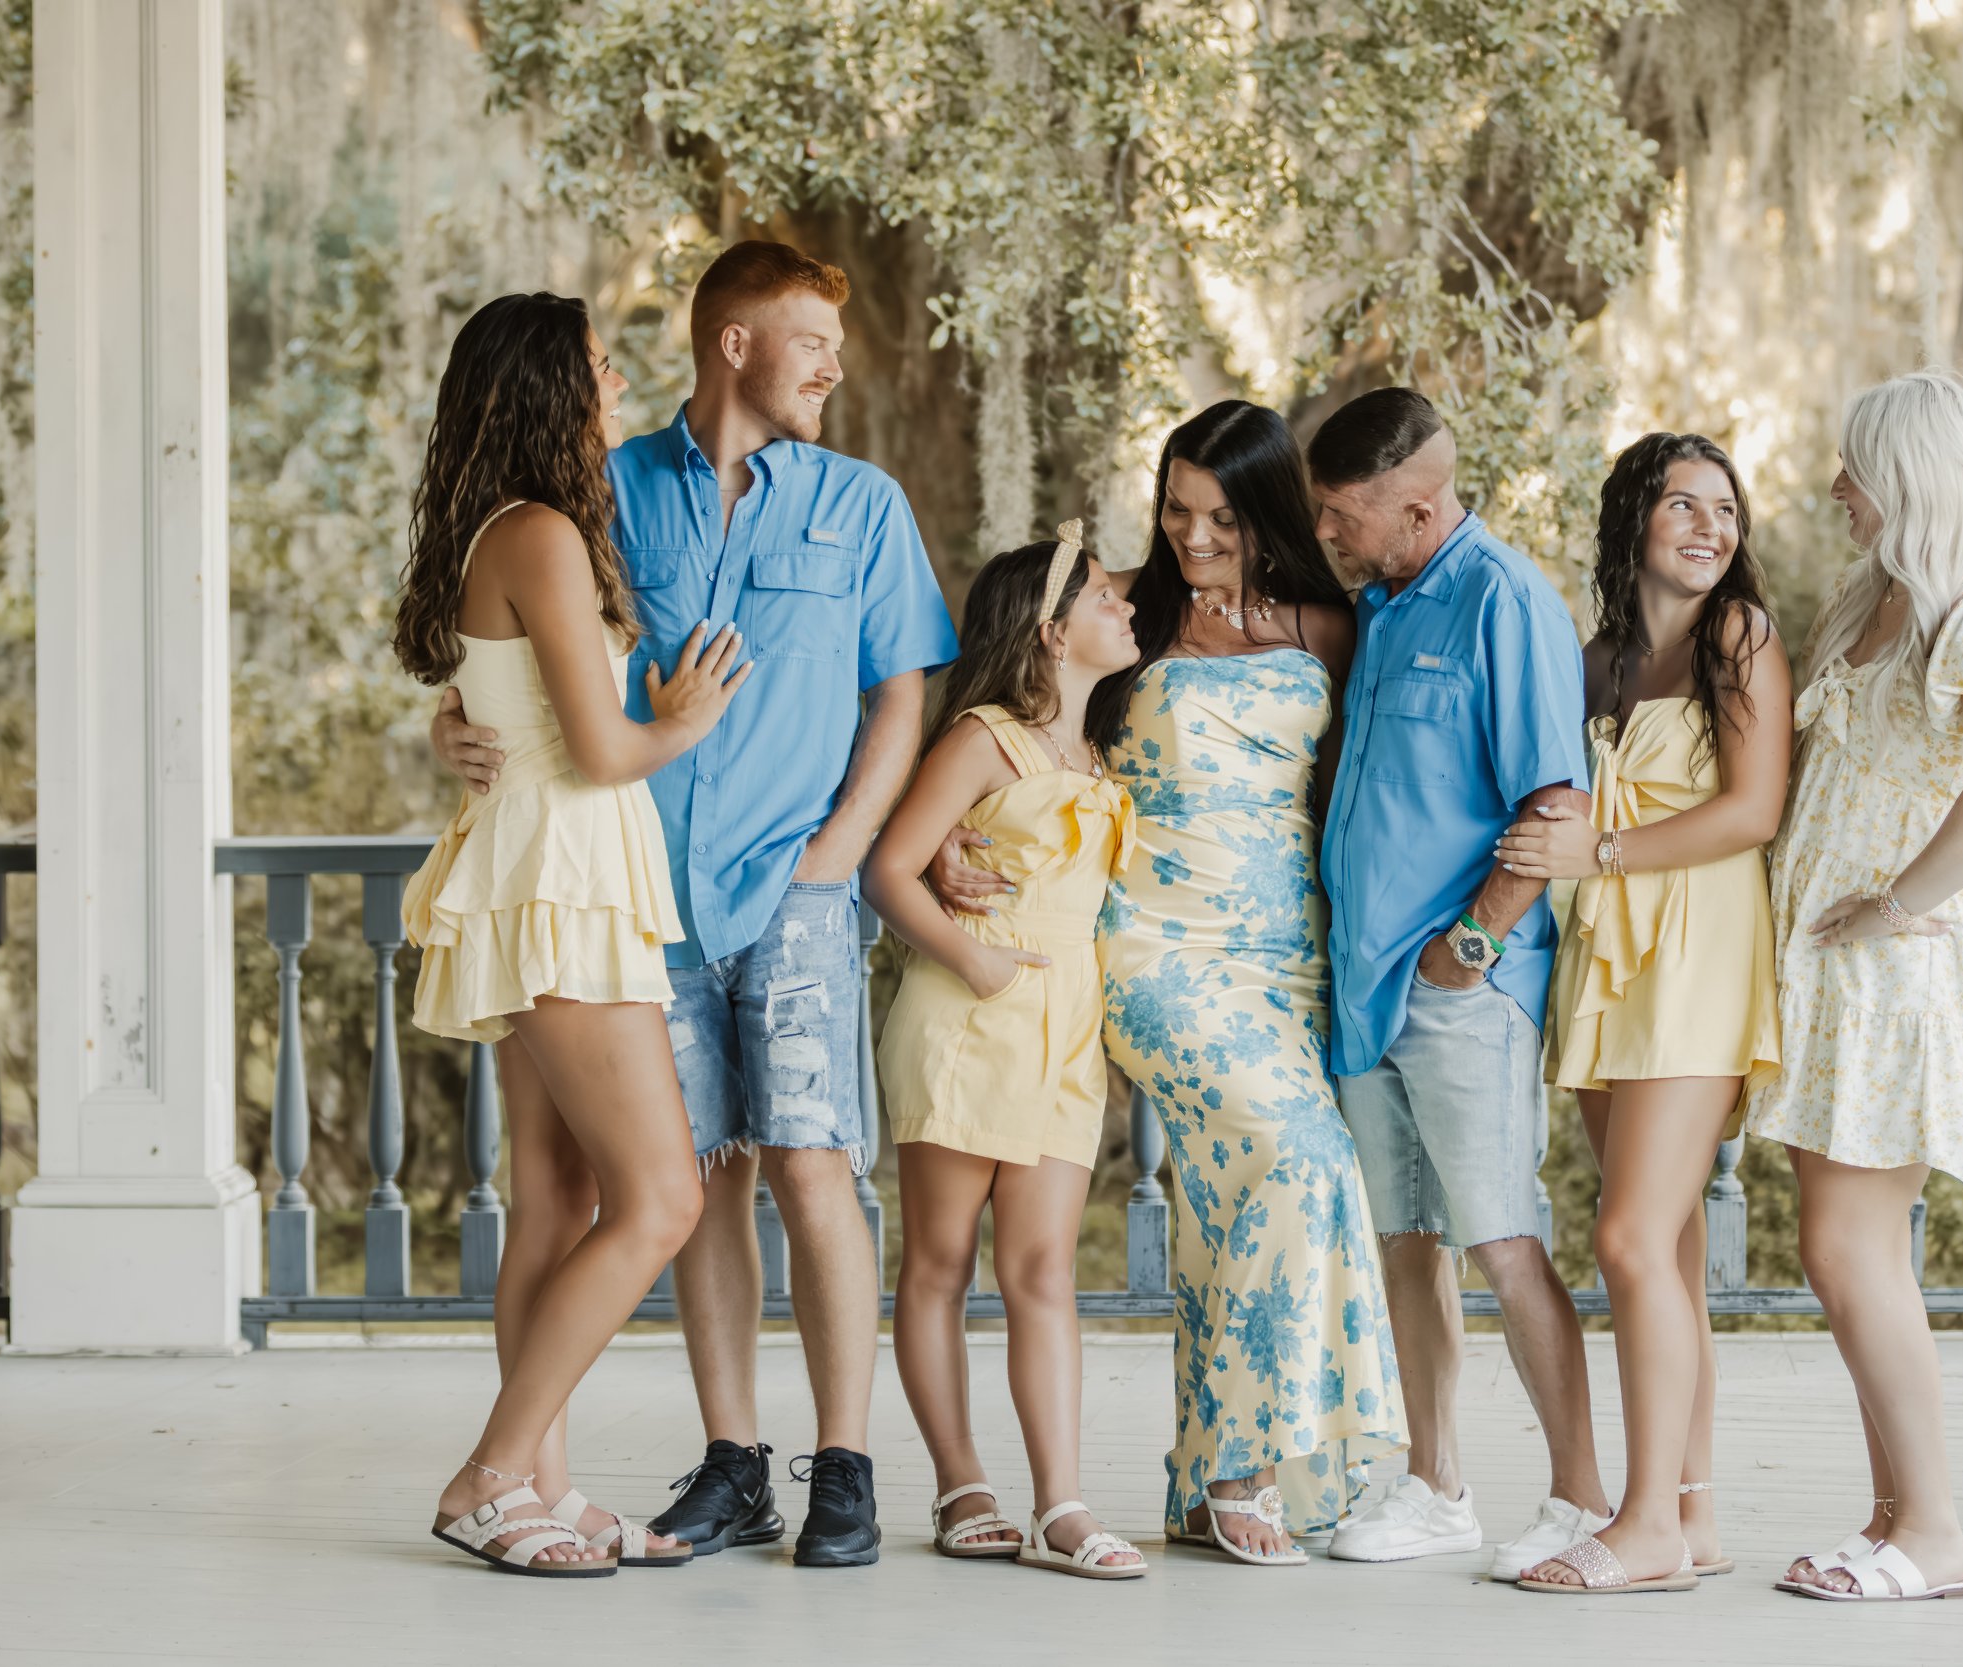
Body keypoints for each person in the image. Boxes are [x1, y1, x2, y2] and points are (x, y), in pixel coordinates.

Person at [431, 242, 959, 1566]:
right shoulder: (594, 498)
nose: (833, 367)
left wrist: (844, 847)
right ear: (734, 342)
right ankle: (732, 1462)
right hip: (630, 897)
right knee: (690, 1182)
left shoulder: (862, 502)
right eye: (811, 342)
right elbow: (537, 663)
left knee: (811, 1161)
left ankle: (844, 1460)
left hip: (796, 881)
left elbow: (904, 690)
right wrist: (458, 716)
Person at [929, 400, 1405, 1566]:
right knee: (1300, 1155)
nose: (1193, 539)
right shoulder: (1124, 607)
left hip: (1287, 955)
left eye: (1220, 519)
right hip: (1148, 945)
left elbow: (1350, 791)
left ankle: (1197, 1482)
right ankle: (1246, 1458)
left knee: (1221, 1199)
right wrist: (941, 835)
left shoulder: (1329, 624)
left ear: (1268, 512)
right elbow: (995, 692)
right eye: (1177, 511)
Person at [396, 293, 736, 1576]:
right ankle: (489, 1474)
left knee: (558, 1198)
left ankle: (539, 1482)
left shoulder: (514, 529)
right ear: (547, 388)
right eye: (595, 366)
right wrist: (686, 718)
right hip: (563, 876)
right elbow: (603, 750)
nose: (613, 382)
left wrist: (454, 726)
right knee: (659, 1195)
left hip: (536, 868)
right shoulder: (537, 531)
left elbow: (488, 700)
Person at [1748, 368, 1963, 1603]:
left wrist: (1898, 900)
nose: (1835, 484)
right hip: (1838, 975)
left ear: (1911, 478)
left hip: (1899, 973)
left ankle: (1934, 1529)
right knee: (1849, 1250)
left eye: (1855, 466)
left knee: (1846, 1249)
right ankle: (1890, 1514)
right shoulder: (1874, 607)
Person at [1306, 388, 1605, 1579]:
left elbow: (1554, 803)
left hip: (1458, 991)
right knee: (1405, 1238)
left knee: (1502, 1237)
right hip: (1365, 989)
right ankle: (1436, 1484)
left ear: (1417, 507)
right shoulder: (1377, 608)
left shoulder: (1505, 600)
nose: (1326, 533)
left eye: (1341, 515)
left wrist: (1470, 945)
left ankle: (1581, 1500)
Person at [1494, 433, 1787, 1594]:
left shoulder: (1740, 638)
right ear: (1634, 516)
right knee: (1664, 1249)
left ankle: (1644, 1520)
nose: (1711, 527)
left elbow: (1753, 810)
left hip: (1696, 953)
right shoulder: (1598, 656)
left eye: (1727, 509)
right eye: (1685, 503)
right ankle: (1694, 1512)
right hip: (1608, 960)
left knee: (1624, 1241)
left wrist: (1602, 850)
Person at [865, 523, 1148, 1581]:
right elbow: (889, 869)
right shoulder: (984, 736)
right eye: (1102, 593)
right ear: (1048, 625)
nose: (1123, 605)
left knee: (1042, 1269)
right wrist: (973, 962)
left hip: (1065, 1025)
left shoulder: (1098, 753)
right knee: (939, 1262)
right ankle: (959, 1480)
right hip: (966, 1012)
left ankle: (1063, 1503)